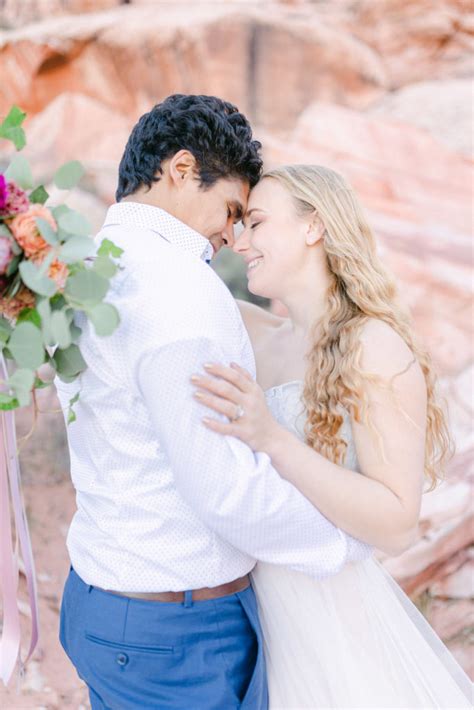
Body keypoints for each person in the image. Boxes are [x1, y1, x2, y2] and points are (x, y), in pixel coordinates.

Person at [55, 97, 371, 710]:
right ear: (179, 169)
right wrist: (346, 538)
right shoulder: (178, 289)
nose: (232, 235)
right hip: (174, 637)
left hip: (111, 600)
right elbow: (226, 490)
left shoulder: (93, 266)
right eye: (230, 209)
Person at [192, 164, 473, 708]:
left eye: (256, 222)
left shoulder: (374, 346)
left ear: (313, 227)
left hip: (332, 630)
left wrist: (272, 438)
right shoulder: (252, 331)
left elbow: (396, 522)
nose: (240, 241)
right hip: (251, 624)